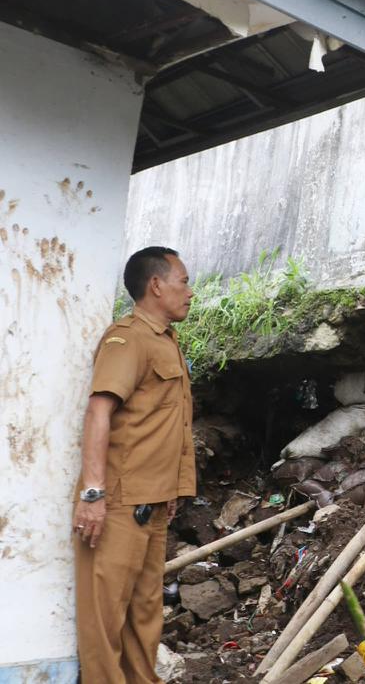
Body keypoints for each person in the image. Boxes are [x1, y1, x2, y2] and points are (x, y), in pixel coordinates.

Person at [73, 246, 195, 683]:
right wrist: (92, 493)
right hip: (119, 502)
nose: (190, 292)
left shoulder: (165, 341)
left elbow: (166, 424)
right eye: (183, 281)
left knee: (144, 617)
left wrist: (175, 489)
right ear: (156, 284)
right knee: (104, 620)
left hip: (154, 502)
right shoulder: (127, 339)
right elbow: (99, 412)